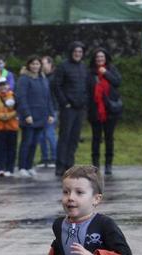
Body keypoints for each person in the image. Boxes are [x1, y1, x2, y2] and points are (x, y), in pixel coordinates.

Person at [53, 42, 89, 176]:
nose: (78, 54)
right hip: (68, 108)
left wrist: (85, 101)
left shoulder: (84, 67)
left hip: (80, 108)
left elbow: (87, 86)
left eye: (80, 52)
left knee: (74, 137)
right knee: (65, 137)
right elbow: (57, 85)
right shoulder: (63, 66)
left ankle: (70, 164)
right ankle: (60, 165)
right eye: (76, 51)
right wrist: (64, 102)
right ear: (71, 52)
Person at [86, 48, 122, 175]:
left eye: (102, 57)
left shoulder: (111, 69)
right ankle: (95, 165)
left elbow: (118, 82)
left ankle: (108, 165)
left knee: (109, 138)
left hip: (110, 110)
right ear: (94, 59)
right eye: (97, 57)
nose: (100, 59)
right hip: (95, 110)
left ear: (106, 58)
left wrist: (106, 73)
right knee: (96, 138)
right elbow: (87, 90)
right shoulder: (90, 72)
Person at [16, 56, 52, 177]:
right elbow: (21, 97)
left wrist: (50, 113)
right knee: (27, 142)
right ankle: (22, 167)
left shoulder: (43, 78)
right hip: (29, 117)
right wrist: (26, 114)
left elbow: (48, 97)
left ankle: (29, 166)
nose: (35, 66)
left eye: (37, 64)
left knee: (34, 143)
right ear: (28, 65)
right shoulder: (24, 79)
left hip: (42, 116)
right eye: (33, 64)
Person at [0, 78, 19, 177]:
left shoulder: (14, 95)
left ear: (8, 86)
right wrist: (1, 116)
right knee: (0, 149)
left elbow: (18, 108)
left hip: (12, 126)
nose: (2, 87)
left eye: (4, 85)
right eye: (0, 85)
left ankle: (10, 169)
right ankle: (0, 168)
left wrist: (10, 115)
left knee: (12, 148)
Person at [40, 56, 59, 168]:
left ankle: (54, 158)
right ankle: (45, 158)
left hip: (52, 109)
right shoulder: (41, 77)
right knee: (41, 136)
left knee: (50, 133)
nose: (42, 66)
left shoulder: (54, 77)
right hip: (41, 110)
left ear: (50, 64)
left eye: (44, 63)